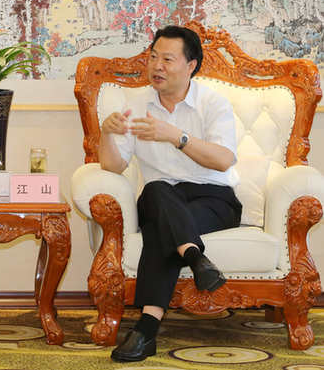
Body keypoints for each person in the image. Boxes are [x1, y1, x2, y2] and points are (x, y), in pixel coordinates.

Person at [99, 26, 242, 362]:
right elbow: (113, 166)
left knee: (160, 227)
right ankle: (194, 257)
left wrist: (176, 136)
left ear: (190, 65)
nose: (156, 66)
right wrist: (105, 133)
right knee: (156, 191)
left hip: (214, 199)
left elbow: (224, 160)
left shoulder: (213, 103)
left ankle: (146, 331)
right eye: (153, 57)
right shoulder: (136, 105)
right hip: (160, 197)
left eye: (167, 59)